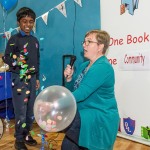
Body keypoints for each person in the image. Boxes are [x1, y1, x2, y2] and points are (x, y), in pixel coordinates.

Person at [62, 30, 120, 150]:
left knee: (67, 120)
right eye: (84, 41)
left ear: (100, 47)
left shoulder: (102, 67)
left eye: (89, 42)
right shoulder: (85, 65)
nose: (84, 44)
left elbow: (81, 94)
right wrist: (69, 79)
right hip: (83, 113)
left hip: (98, 116)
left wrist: (58, 103)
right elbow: (74, 90)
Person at [3, 7, 40, 150]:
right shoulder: (14, 39)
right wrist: (16, 61)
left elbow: (37, 60)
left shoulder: (35, 40)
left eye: (31, 22)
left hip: (32, 78)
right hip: (19, 79)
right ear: (18, 22)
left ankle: (26, 134)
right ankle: (18, 139)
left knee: (31, 110)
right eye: (24, 21)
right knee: (21, 111)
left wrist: (36, 77)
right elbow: (6, 58)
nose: (28, 25)